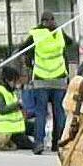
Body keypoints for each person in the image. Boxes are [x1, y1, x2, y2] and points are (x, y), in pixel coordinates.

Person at [22, 9, 68, 154]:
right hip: (59, 79)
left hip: (41, 80)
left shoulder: (36, 35)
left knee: (41, 112)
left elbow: (23, 49)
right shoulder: (59, 34)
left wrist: (31, 65)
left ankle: (39, 143)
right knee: (59, 112)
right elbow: (70, 44)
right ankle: (58, 142)